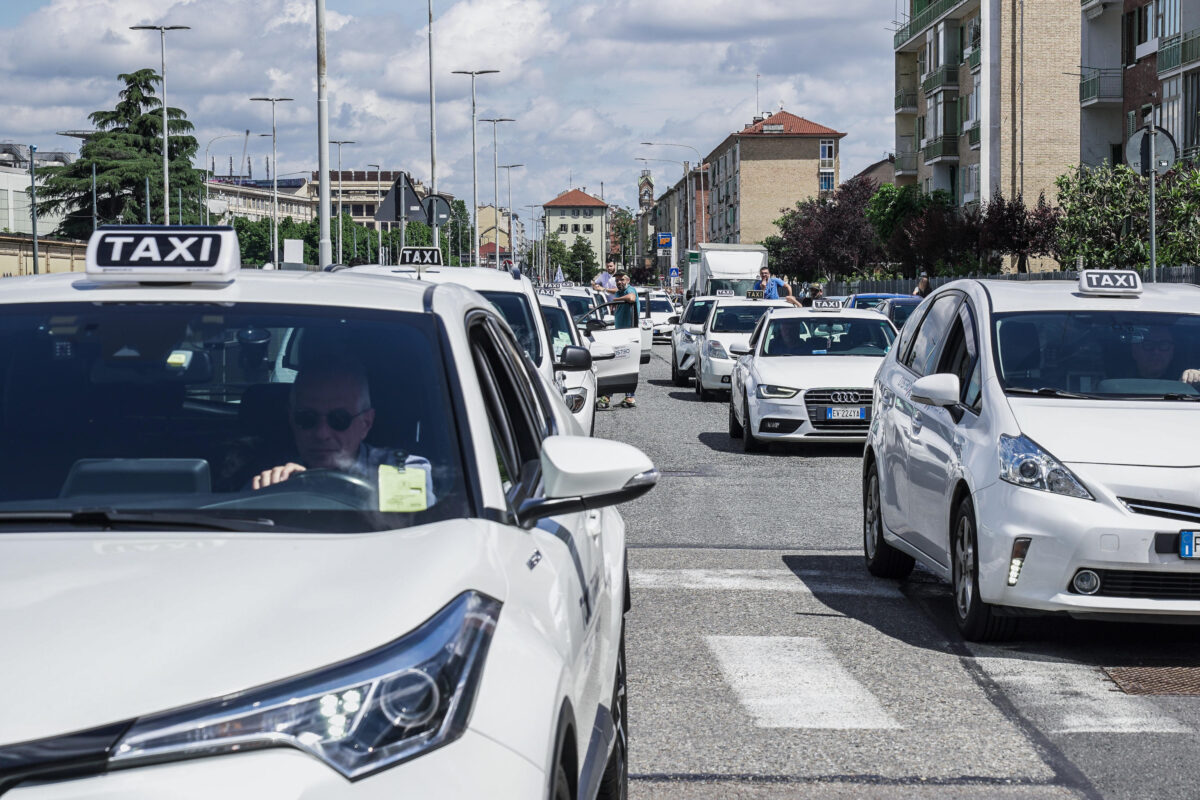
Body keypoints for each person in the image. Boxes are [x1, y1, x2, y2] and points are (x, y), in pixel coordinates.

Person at [252, 362, 433, 499]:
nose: (322, 434)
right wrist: (272, 492)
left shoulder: (401, 468)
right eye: (306, 418)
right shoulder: (271, 477)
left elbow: (414, 527)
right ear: (292, 420)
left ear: (366, 424)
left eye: (339, 420)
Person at [602, 271, 640, 409]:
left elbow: (631, 298)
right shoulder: (618, 293)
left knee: (615, 365)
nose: (619, 282)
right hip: (620, 334)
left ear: (628, 280)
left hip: (629, 335)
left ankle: (607, 397)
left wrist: (614, 300)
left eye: (621, 280)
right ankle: (628, 397)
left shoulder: (630, 290)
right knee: (621, 366)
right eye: (617, 280)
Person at [1129, 325, 1200, 384]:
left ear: (1172, 352)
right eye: (1148, 345)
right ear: (1135, 351)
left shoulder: (1185, 378)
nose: (1156, 352)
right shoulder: (1119, 379)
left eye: (1164, 345)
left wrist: (1195, 376)